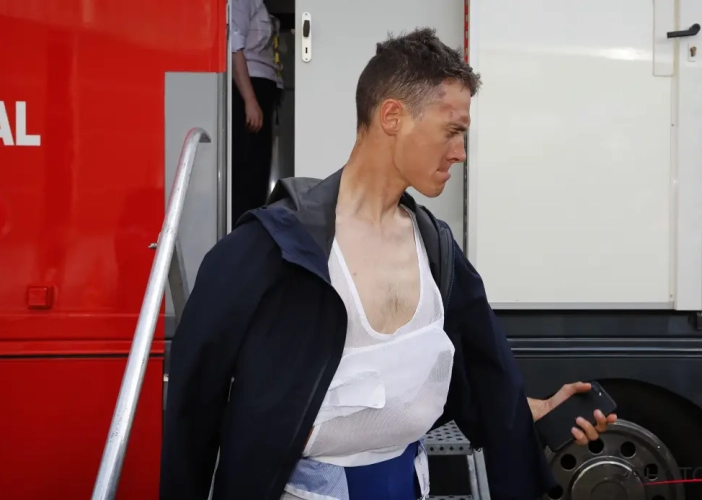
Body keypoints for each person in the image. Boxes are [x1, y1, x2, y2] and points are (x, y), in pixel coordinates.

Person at [160, 28, 617, 500]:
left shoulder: (437, 249)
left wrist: (539, 410)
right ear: (393, 116)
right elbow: (195, 406)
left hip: (405, 484)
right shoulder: (273, 247)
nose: (460, 153)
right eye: (452, 131)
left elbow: (481, 380)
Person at [230, 0, 283, 226]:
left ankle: (251, 229)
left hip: (263, 89)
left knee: (259, 171)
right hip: (250, 88)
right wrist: (250, 100)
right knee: (248, 172)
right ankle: (242, 231)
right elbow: (234, 46)